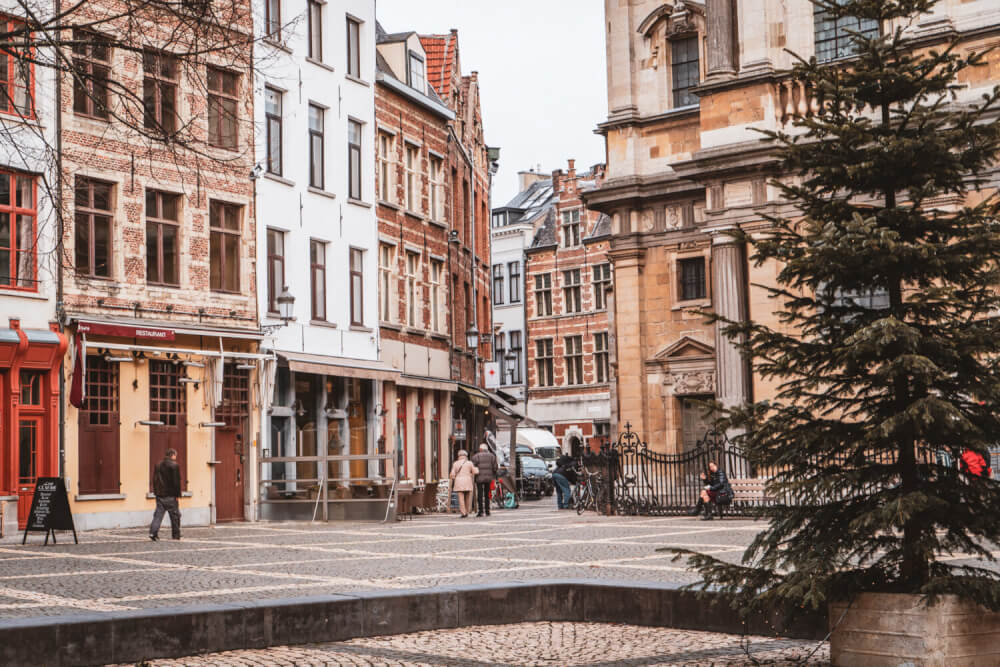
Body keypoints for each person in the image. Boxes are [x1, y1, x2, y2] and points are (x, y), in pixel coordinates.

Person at [150, 448, 182, 541]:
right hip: (171, 495)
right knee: (175, 516)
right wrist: (177, 495)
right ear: (172, 455)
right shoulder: (174, 465)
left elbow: (155, 480)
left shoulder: (158, 465)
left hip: (160, 495)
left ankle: (153, 533)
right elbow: (176, 482)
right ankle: (176, 535)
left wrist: (156, 492)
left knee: (158, 515)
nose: (176, 458)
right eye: (175, 456)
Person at [471, 443, 499, 517]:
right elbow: (495, 467)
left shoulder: (476, 456)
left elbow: (472, 467)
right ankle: (487, 511)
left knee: (480, 494)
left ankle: (480, 511)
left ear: (480, 449)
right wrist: (493, 474)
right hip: (489, 478)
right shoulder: (492, 456)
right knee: (487, 494)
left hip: (479, 478)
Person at [449, 450, 478, 518]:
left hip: (459, 481)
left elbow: (452, 474)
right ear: (466, 456)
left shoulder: (455, 463)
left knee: (461, 498)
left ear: (459, 456)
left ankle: (463, 512)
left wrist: (453, 476)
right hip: (467, 481)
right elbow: (475, 471)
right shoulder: (469, 463)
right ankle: (467, 511)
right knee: (467, 497)